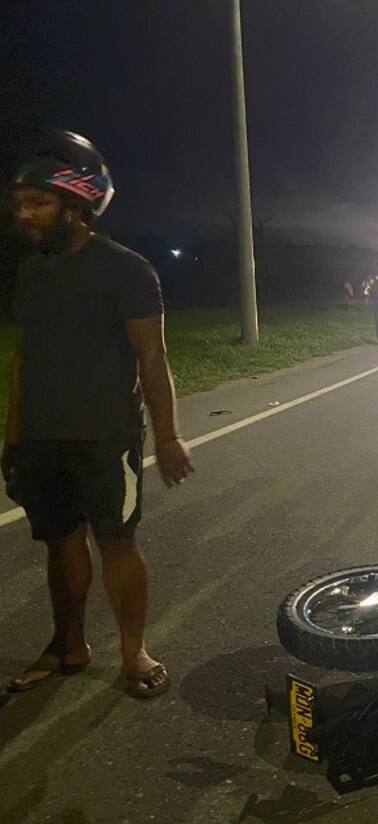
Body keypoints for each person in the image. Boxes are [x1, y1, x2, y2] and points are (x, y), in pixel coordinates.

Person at [2, 130, 193, 699]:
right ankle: (69, 646)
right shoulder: (31, 273)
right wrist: (13, 435)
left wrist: (169, 438)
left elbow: (152, 360)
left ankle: (134, 653)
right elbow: (22, 360)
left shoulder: (126, 270)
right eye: (19, 204)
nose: (23, 215)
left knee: (117, 543)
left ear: (78, 205)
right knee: (60, 542)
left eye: (37, 203)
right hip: (42, 438)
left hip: (106, 438)